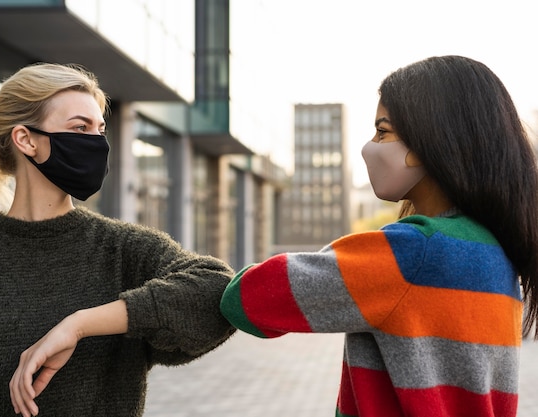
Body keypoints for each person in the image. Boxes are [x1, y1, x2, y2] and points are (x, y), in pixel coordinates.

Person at [220, 55, 538, 417]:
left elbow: (248, 300)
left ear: (426, 142)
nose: (370, 146)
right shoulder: (496, 250)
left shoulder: (412, 253)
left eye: (382, 132)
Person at [0, 62, 235, 417]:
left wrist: (78, 326)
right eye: (80, 128)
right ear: (26, 140)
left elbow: (219, 288)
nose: (96, 143)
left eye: (99, 130)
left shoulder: (123, 249)